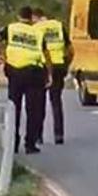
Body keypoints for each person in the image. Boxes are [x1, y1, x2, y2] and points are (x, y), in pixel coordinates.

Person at [0, 6, 49, 154]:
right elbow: (46, 54)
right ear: (31, 18)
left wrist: (0, 55)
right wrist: (49, 74)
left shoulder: (11, 28)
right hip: (34, 73)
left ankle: (13, 143)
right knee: (33, 111)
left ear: (18, 16)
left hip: (15, 72)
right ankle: (30, 145)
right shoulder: (37, 32)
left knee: (13, 108)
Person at [33, 8, 73, 145]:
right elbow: (70, 49)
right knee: (56, 102)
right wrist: (67, 64)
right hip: (59, 65)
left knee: (39, 102)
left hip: (43, 67)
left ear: (35, 17)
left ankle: (38, 136)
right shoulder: (58, 25)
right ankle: (59, 135)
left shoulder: (36, 28)